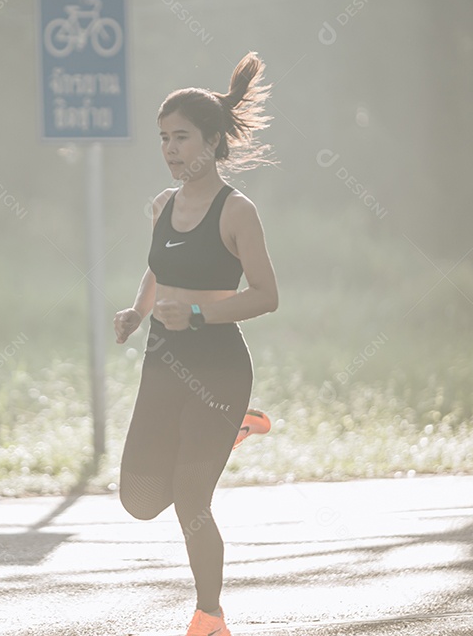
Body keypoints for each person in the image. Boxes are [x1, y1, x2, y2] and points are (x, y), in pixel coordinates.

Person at [113, 52, 279, 636]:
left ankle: (210, 614)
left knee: (190, 496)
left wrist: (200, 316)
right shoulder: (163, 205)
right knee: (139, 498)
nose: (170, 149)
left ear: (211, 141)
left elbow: (266, 295)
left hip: (218, 367)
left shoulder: (238, 211)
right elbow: (159, 269)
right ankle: (233, 429)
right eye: (163, 138)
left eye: (181, 137)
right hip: (163, 360)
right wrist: (137, 312)